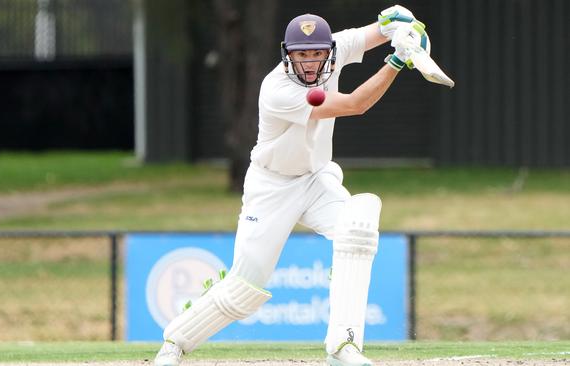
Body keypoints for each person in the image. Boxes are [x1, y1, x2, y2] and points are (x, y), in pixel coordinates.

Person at [154, 5, 426, 366]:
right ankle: (175, 342)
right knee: (243, 290)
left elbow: (378, 31)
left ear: (327, 50)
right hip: (271, 186)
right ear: (288, 55)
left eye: (316, 53)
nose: (311, 62)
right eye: (302, 55)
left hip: (316, 177)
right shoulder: (277, 89)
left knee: (356, 225)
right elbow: (355, 105)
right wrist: (396, 62)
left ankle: (343, 346)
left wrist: (402, 24)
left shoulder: (338, 47)